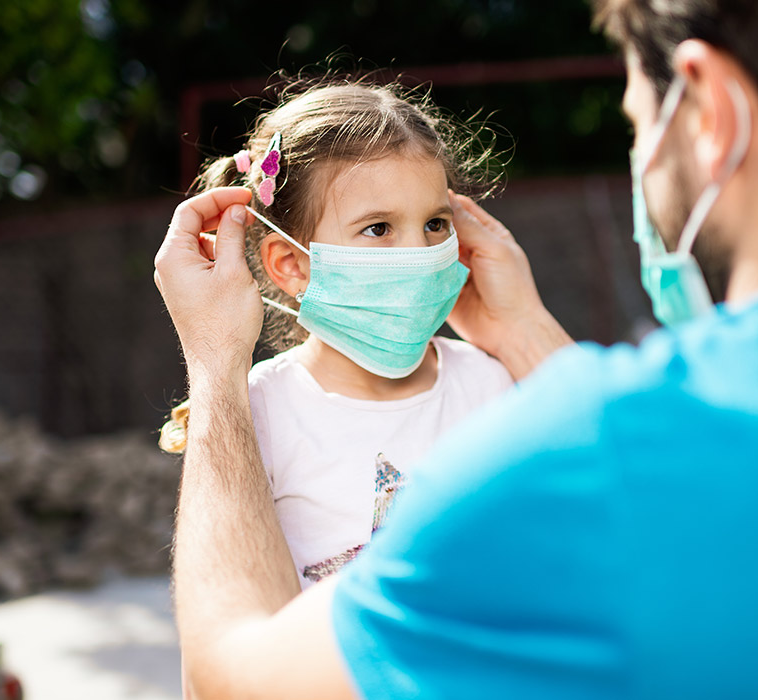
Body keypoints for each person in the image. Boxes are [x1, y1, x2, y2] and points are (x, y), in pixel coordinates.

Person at [153, 1, 758, 698]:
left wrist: (213, 368)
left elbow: (239, 680)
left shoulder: (598, 452)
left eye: (635, 113)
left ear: (709, 113)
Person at [159, 81, 514, 589]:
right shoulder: (253, 416)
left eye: (436, 223)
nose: (419, 252)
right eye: (378, 228)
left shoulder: (490, 383)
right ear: (291, 266)